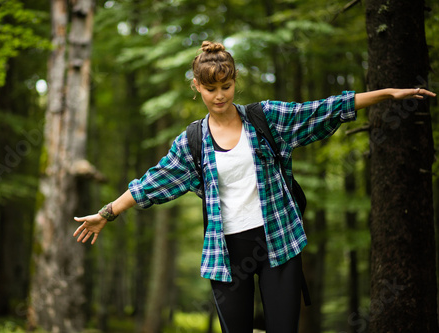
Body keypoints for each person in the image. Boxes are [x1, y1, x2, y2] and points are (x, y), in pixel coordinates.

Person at [73, 41, 436, 332]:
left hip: (279, 239)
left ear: (235, 82)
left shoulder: (266, 118)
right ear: (196, 87)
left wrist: (387, 94)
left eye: (226, 86)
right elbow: (153, 181)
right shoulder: (192, 141)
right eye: (211, 88)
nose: (220, 95)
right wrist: (107, 213)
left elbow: (320, 109)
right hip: (228, 252)